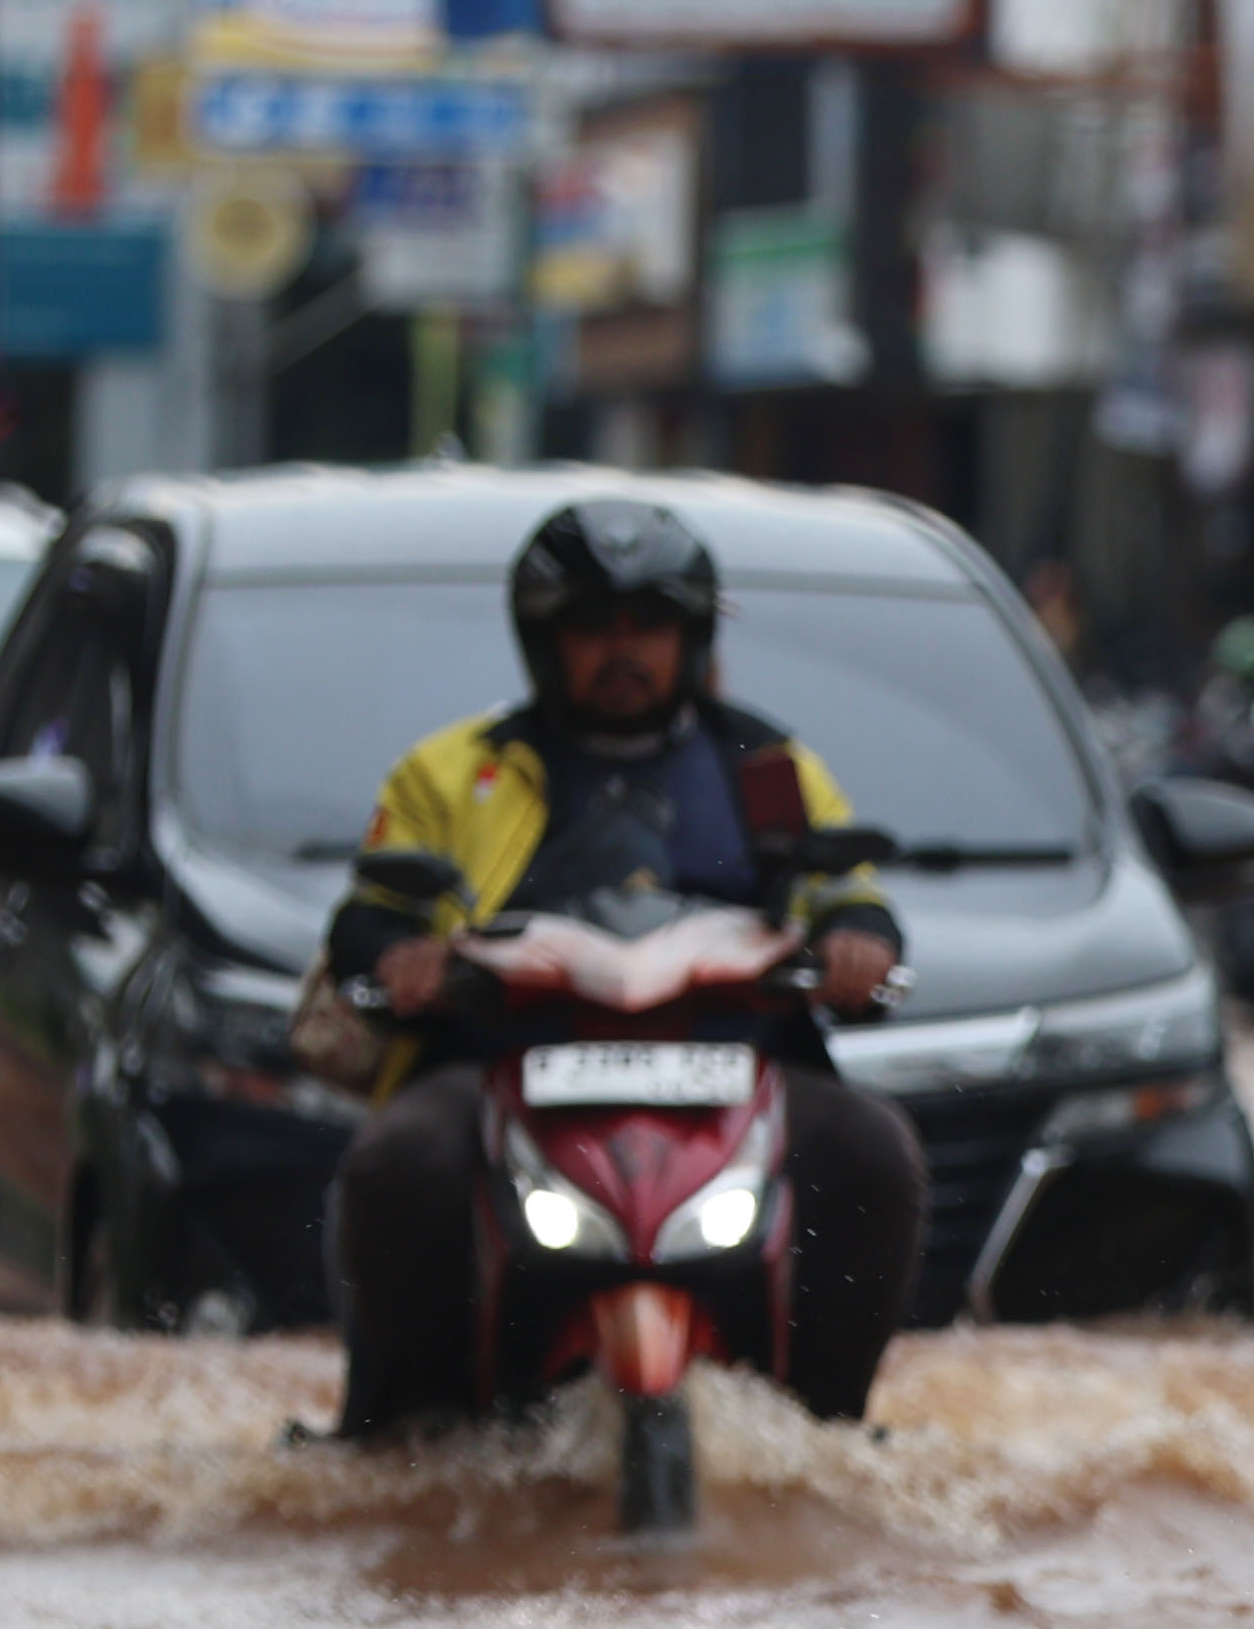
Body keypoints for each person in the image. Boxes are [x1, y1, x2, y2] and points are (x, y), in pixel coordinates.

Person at [316, 498, 931, 1434]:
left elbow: (851, 892)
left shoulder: (769, 767)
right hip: (499, 1072)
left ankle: (829, 1434)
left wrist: (859, 944)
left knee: (873, 1153)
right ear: (542, 639)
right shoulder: (451, 770)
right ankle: (406, 1435)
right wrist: (404, 960)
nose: (622, 650)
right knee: (399, 1162)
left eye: (648, 625)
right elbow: (366, 918)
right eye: (592, 628)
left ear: (688, 639)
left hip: (736, 1073)